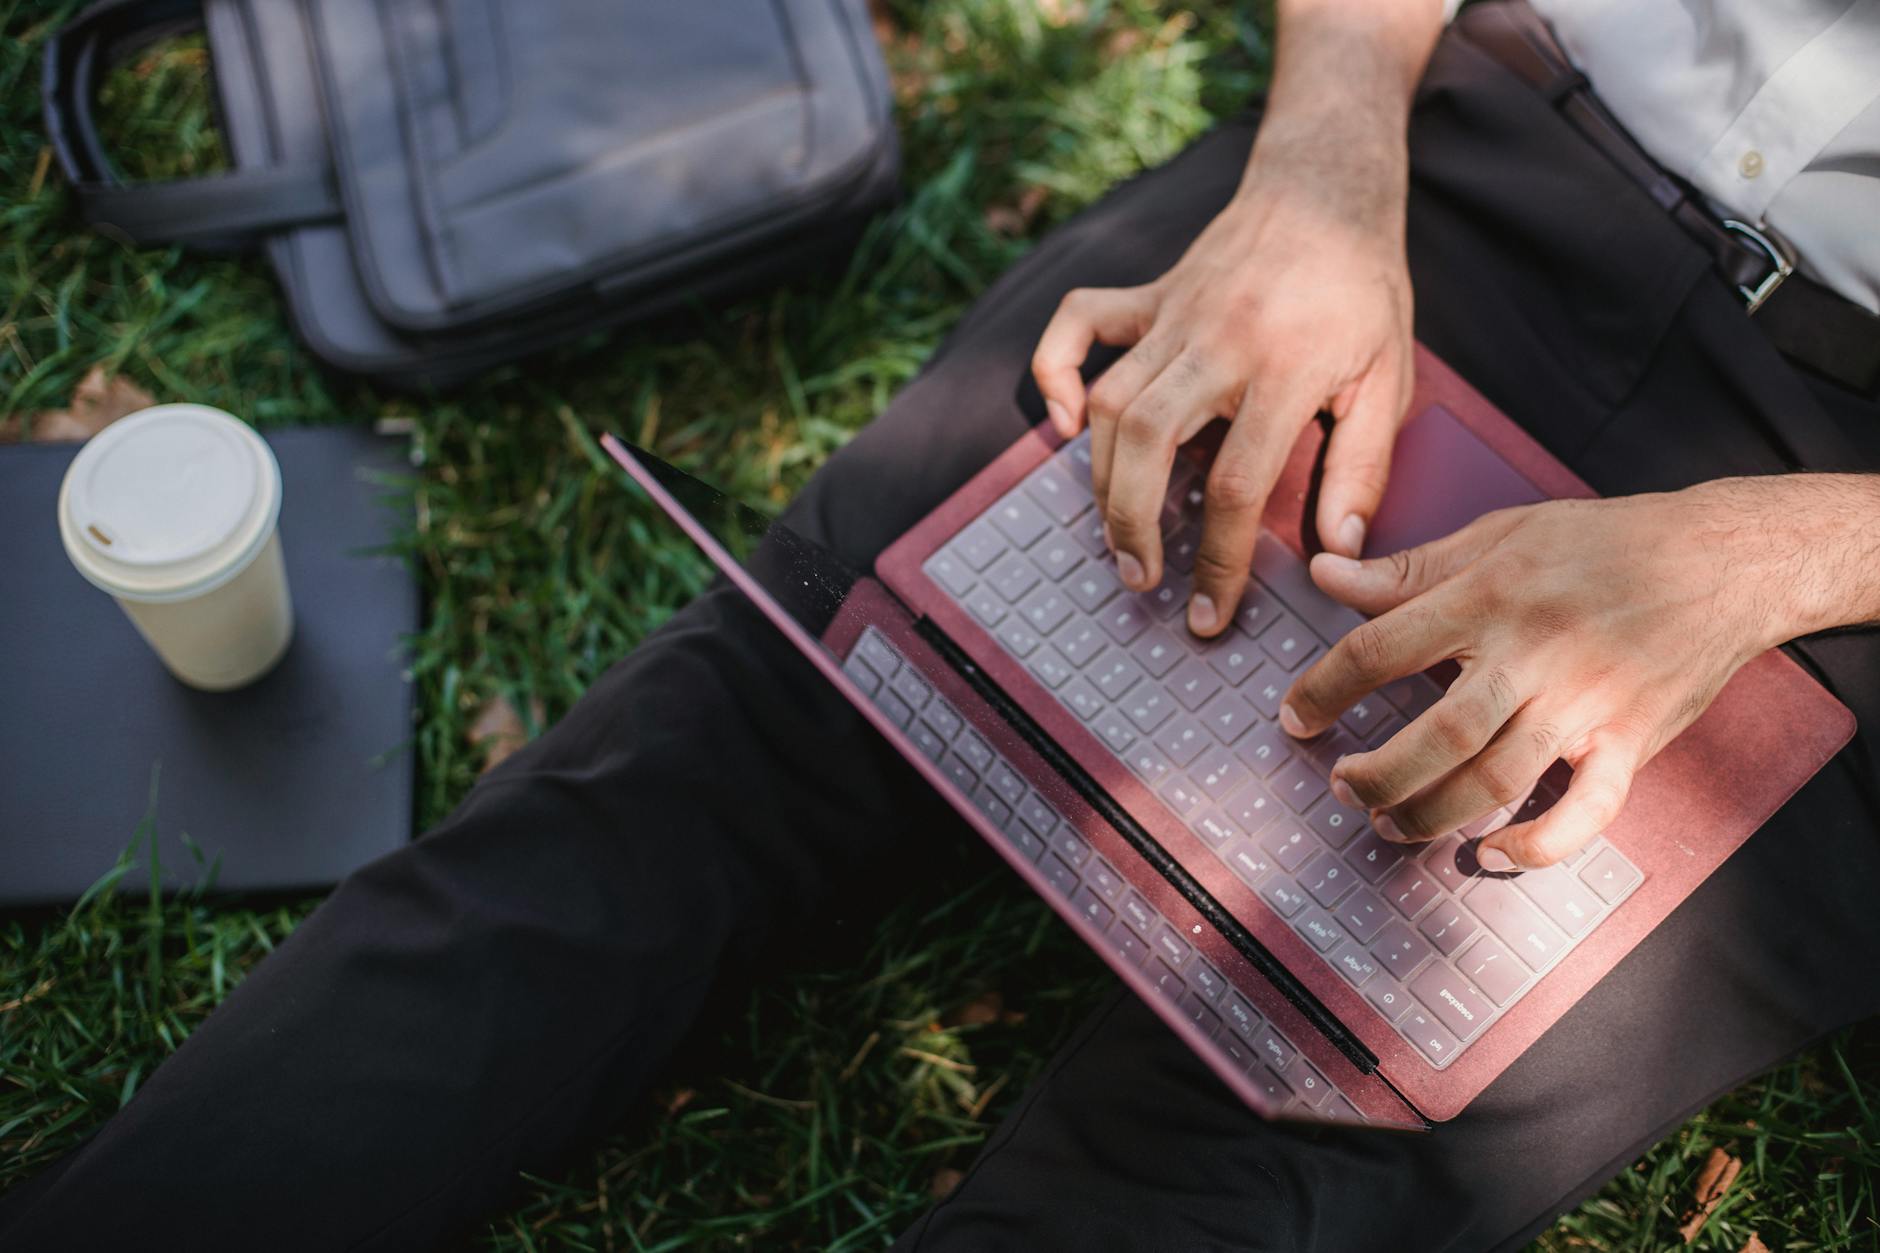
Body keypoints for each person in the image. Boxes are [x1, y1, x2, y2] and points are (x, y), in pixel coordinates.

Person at [3, 0, 1877, 1248]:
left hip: (1837, 511)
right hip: (1459, 165)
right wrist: (1319, 164)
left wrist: (1754, 563)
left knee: (1258, 1168)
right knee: (716, 765)